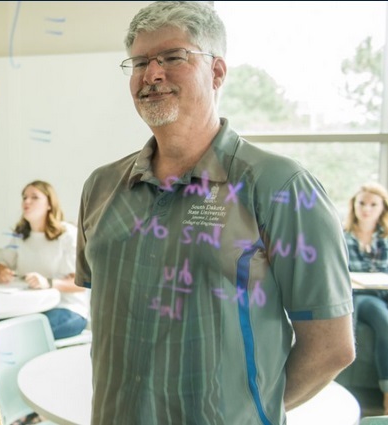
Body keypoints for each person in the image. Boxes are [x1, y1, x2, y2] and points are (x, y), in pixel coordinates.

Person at [75, 2, 355, 423]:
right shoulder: (101, 187)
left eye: (172, 57)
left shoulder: (281, 187)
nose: (152, 74)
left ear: (217, 72)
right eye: (139, 62)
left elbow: (331, 346)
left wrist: (250, 412)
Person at [0, 180, 89, 340]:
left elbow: (82, 283)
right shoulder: (20, 236)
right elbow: (0, 265)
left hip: (67, 309)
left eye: (34, 197)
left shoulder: (68, 235)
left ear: (49, 204)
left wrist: (49, 283)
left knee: (16, 335)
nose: (26, 201)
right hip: (30, 308)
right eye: (24, 197)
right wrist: (2, 272)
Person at [344, 182, 388, 414]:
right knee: (383, 319)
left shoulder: (385, 239)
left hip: (382, 293)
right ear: (354, 206)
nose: (367, 209)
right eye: (362, 203)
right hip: (358, 296)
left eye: (373, 204)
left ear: (383, 208)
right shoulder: (343, 236)